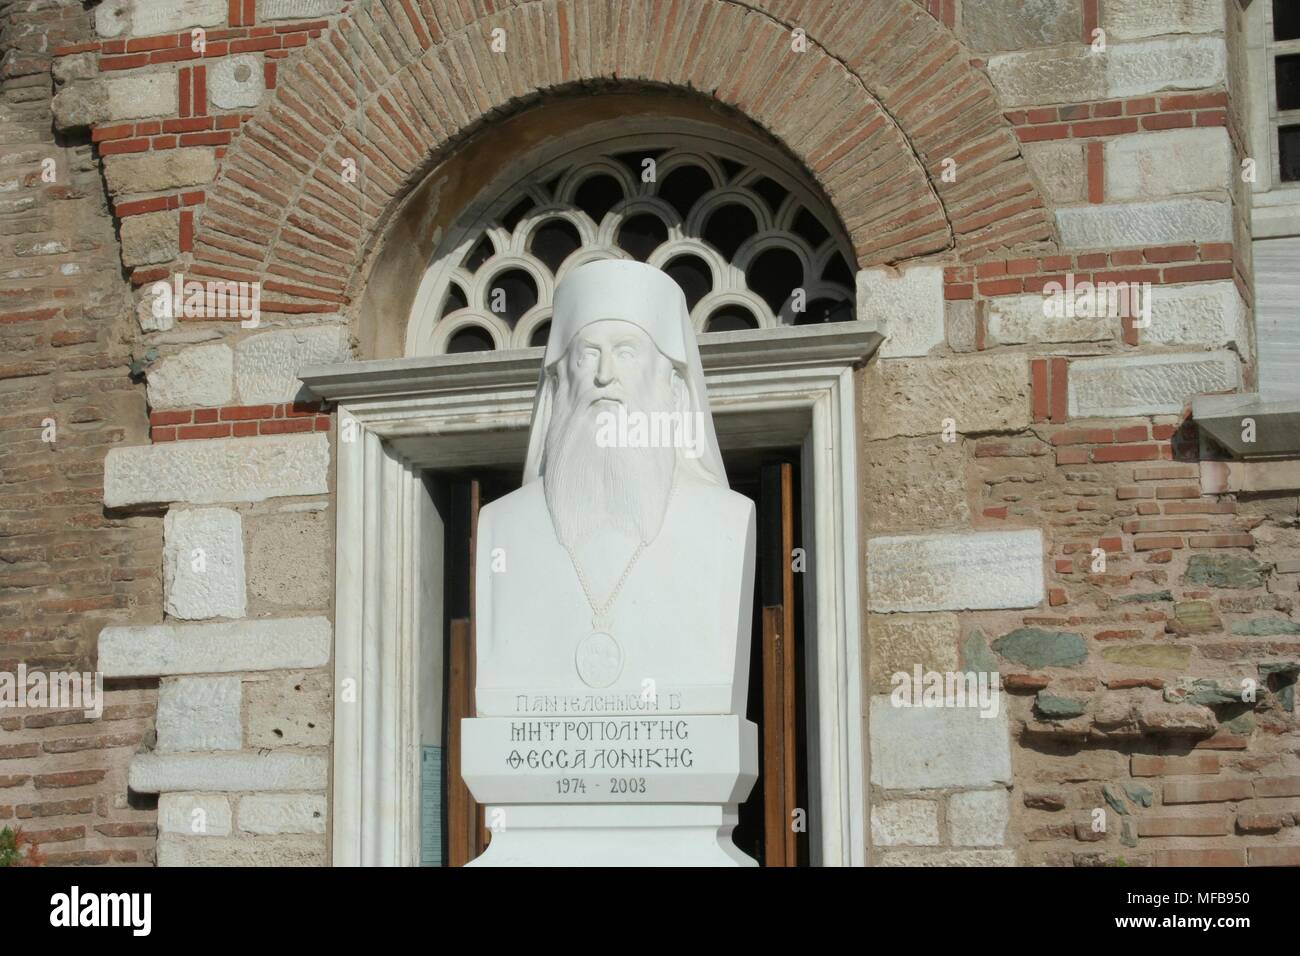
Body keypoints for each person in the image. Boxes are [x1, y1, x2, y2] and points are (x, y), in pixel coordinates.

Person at [474, 258, 756, 718]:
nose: (605, 374)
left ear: (671, 383)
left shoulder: (725, 520)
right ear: (561, 379)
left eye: (626, 352)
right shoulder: (502, 525)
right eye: (586, 355)